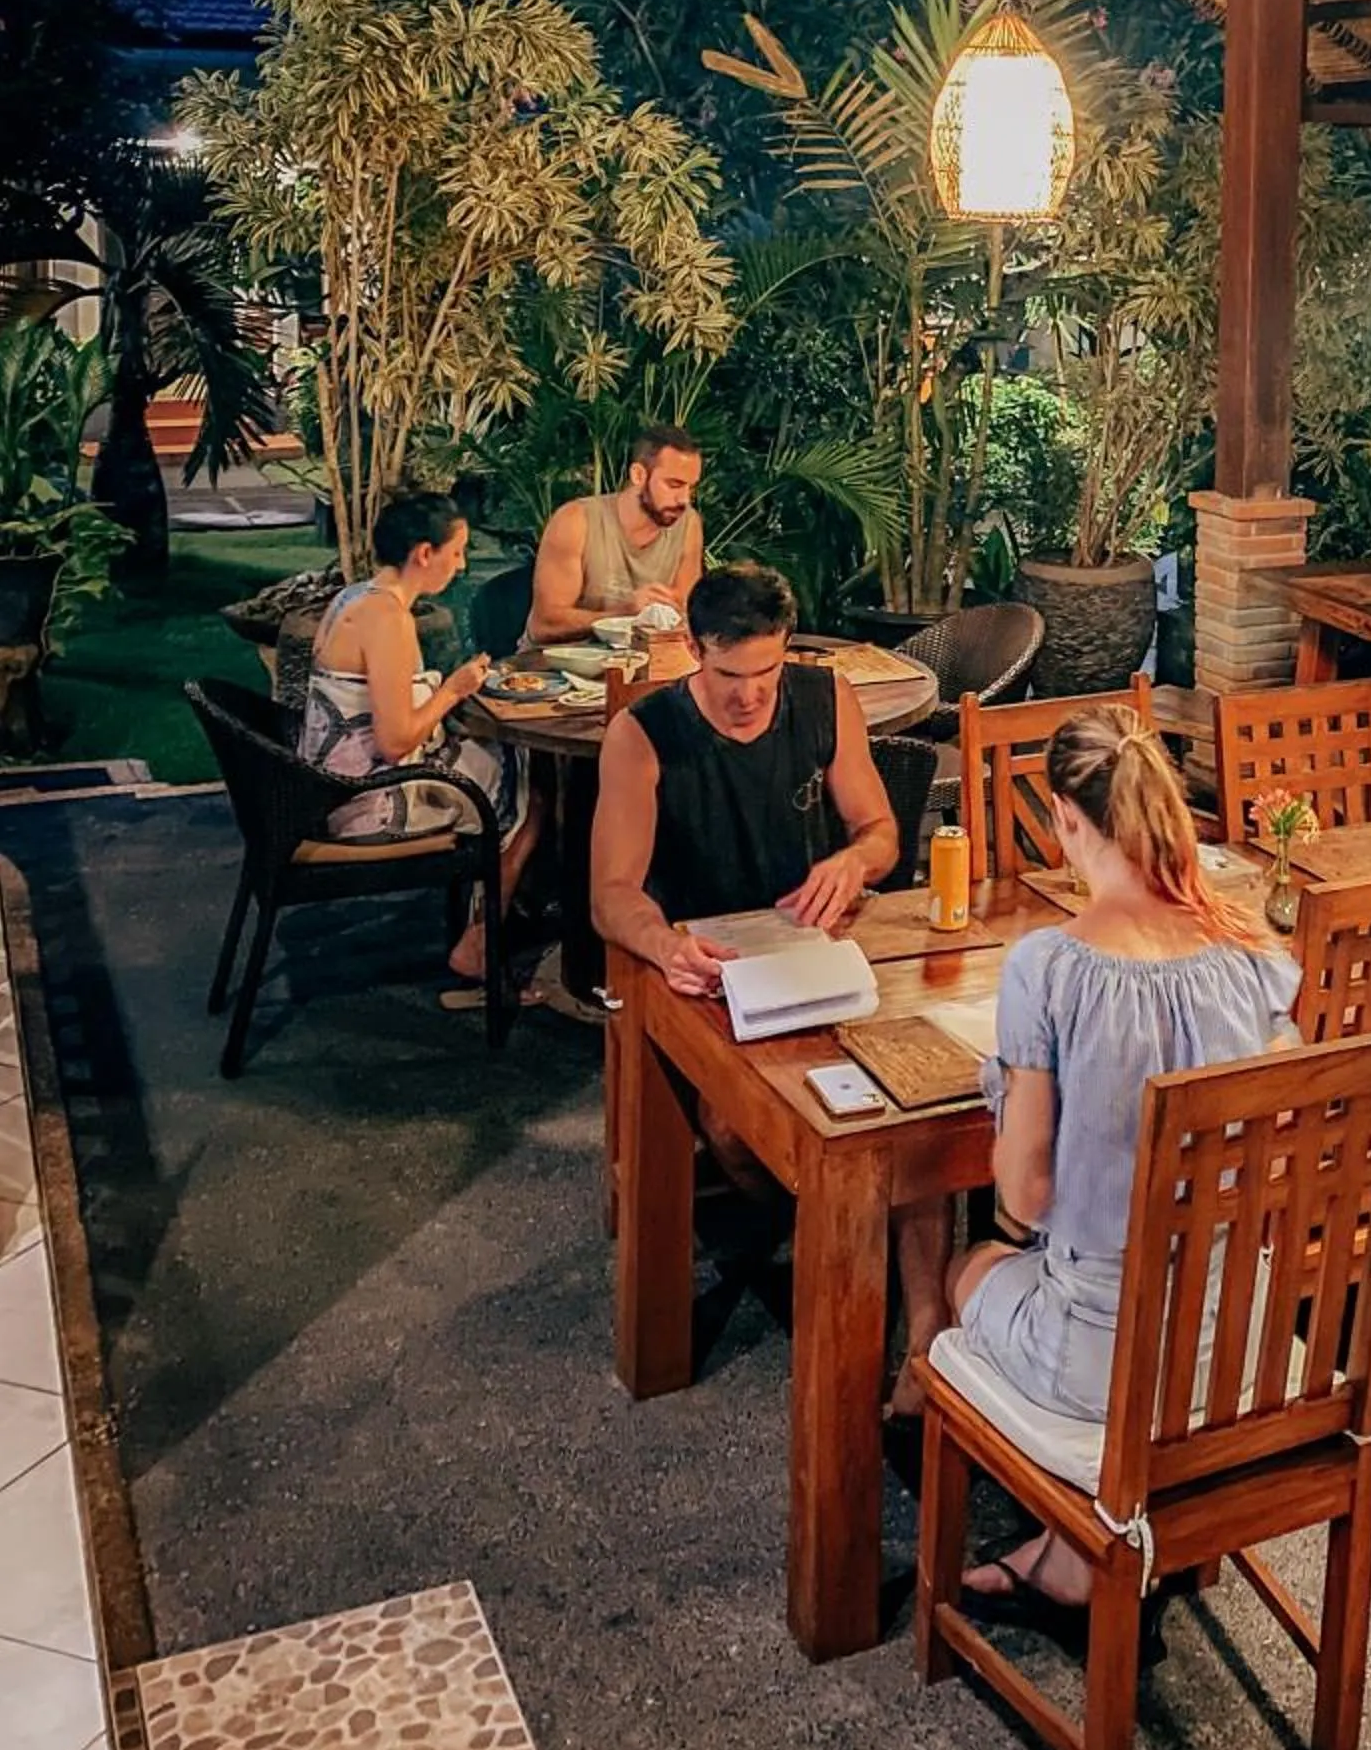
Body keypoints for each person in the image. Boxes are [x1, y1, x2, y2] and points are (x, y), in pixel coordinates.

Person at [925, 704, 1299, 1624]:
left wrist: (1009, 1099)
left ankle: (1083, 1533)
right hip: (1237, 1342)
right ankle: (1075, 1551)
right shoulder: (1252, 952)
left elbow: (1024, 1195)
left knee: (968, 1271)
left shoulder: (1048, 968)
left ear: (1066, 820)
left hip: (1108, 1367)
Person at [589, 564, 947, 1334]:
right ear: (692, 647)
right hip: (711, 969)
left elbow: (880, 833)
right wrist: (665, 944)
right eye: (728, 674)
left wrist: (852, 864)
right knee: (735, 1130)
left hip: (822, 948)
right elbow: (611, 894)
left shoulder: (826, 700)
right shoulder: (644, 734)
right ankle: (833, 1227)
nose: (750, 693)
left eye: (767, 671)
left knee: (923, 1095)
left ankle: (918, 1324)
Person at [300, 491, 543, 996]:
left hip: (325, 783)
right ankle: (480, 940)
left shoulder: (355, 597)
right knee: (534, 792)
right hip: (368, 801)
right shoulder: (388, 620)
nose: (463, 564)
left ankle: (492, 917)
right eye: (457, 552)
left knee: (506, 763)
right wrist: (453, 690)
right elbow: (394, 742)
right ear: (424, 554)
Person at [527, 424, 705, 644]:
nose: (684, 499)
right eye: (674, 485)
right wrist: (625, 613)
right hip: (556, 667)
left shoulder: (688, 525)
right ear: (638, 475)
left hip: (642, 667)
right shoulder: (576, 521)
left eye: (691, 488)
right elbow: (543, 627)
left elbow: (686, 615)